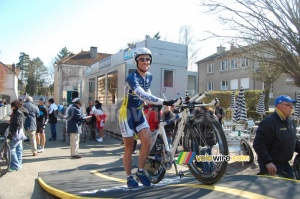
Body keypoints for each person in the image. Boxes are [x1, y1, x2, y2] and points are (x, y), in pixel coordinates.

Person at [118, 47, 176, 188]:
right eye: (142, 59)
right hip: (127, 114)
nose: (145, 61)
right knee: (130, 147)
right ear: (136, 61)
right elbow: (141, 94)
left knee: (147, 142)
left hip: (138, 112)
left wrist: (160, 104)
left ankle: (140, 171)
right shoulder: (132, 77)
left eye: (148, 59)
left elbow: (147, 91)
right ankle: (128, 177)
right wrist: (163, 101)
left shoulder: (149, 76)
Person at [253, 95, 300, 178]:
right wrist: (268, 162)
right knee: (274, 190)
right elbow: (258, 144)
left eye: (292, 105)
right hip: (272, 166)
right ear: (279, 106)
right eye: (288, 105)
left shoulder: (290, 121)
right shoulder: (269, 122)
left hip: (285, 163)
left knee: (291, 187)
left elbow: (293, 141)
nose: (292, 107)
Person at [8, 100, 27, 171]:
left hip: (17, 133)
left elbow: (17, 124)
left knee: (11, 149)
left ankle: (15, 165)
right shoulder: (20, 111)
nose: (11, 107)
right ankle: (19, 164)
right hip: (20, 133)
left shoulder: (17, 113)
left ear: (15, 106)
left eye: (12, 106)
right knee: (19, 149)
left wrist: (12, 133)